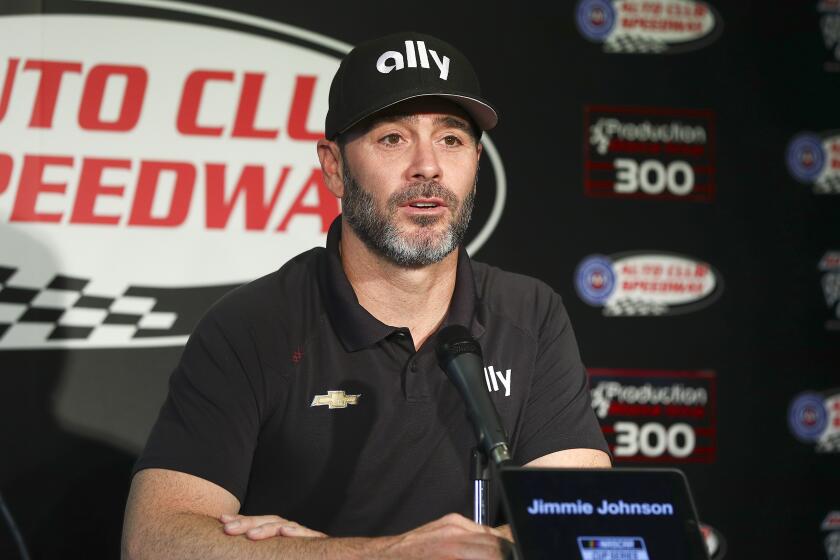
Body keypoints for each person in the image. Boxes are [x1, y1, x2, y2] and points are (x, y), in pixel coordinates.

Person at [122, 31, 610, 560]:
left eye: (451, 139)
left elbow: (586, 525)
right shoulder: (254, 326)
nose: (428, 166)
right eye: (393, 139)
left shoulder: (531, 315)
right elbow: (154, 540)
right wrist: (386, 554)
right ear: (334, 166)